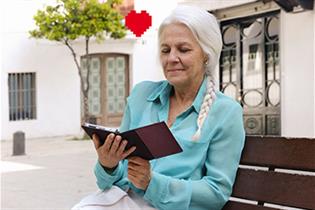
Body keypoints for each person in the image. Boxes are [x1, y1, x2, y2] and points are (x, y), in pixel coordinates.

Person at [72, 5, 245, 210]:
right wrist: (108, 165)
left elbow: (216, 193)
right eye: (165, 50)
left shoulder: (225, 112)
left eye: (183, 49)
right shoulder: (141, 96)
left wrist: (152, 183)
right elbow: (116, 181)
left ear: (206, 55)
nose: (172, 58)